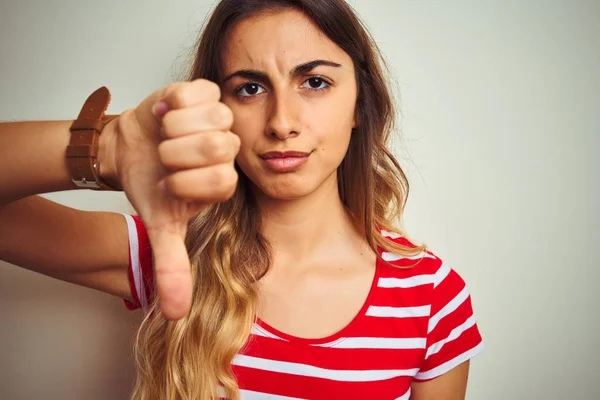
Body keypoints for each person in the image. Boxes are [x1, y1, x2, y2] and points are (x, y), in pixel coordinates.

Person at [0, 0, 484, 399]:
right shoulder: (176, 254)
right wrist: (105, 148)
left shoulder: (431, 298)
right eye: (250, 88)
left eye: (314, 82)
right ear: (219, 111)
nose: (281, 122)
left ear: (359, 103)